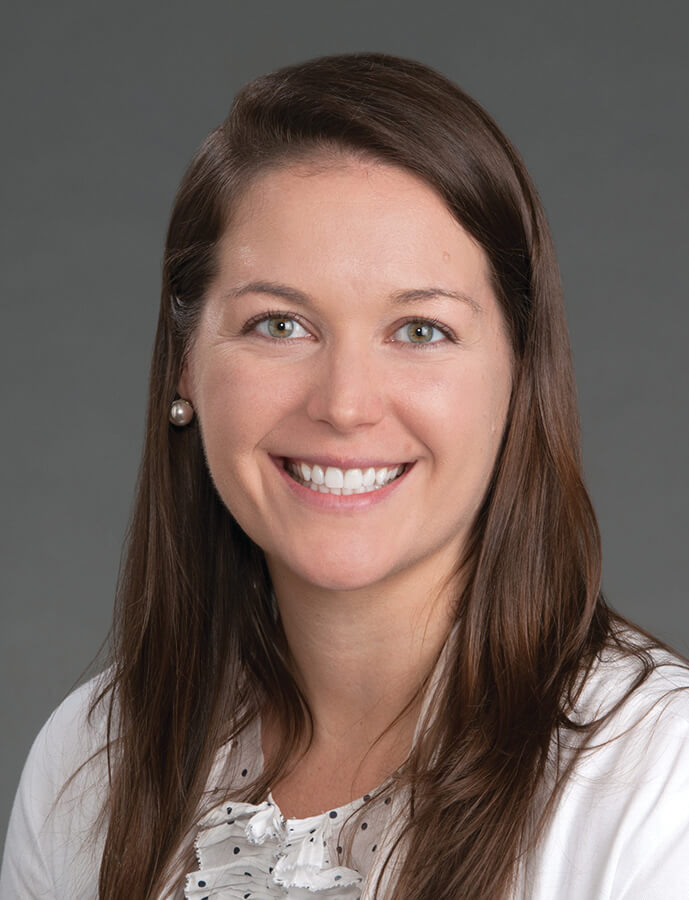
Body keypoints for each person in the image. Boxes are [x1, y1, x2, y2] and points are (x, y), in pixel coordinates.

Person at [1, 52, 688, 900]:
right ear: (185, 367)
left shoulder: (660, 780)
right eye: (279, 323)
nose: (346, 404)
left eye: (420, 330)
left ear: (518, 373)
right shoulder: (89, 764)